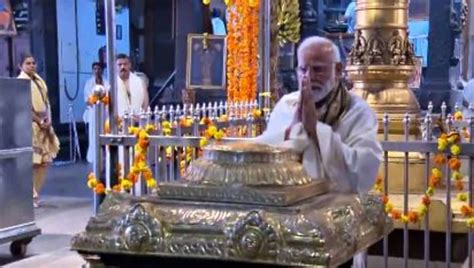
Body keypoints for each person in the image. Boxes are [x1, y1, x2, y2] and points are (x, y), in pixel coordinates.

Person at [255, 36, 382, 268]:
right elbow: (270, 157)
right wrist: (294, 127)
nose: (309, 77)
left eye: (318, 69)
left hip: (334, 226)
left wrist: (316, 131)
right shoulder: (286, 105)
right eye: (303, 69)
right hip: (287, 223)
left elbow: (363, 170)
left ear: (338, 69)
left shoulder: (357, 112)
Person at [18, 53, 60, 208]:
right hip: (30, 125)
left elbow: (46, 101)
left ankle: (35, 192)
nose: (31, 65)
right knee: (32, 162)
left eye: (33, 63)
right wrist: (39, 120)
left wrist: (48, 119)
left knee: (44, 162)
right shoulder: (21, 82)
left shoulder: (39, 80)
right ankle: (29, 195)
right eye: (28, 63)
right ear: (20, 66)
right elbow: (24, 106)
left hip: (44, 125)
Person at [83, 62, 109, 164]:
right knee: (94, 134)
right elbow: (86, 99)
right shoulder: (89, 83)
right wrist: (95, 102)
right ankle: (93, 156)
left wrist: (104, 102)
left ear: (102, 70)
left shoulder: (106, 82)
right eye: (95, 69)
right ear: (92, 70)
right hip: (94, 112)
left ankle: (106, 156)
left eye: (99, 69)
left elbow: (108, 97)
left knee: (105, 133)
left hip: (105, 111)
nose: (97, 71)